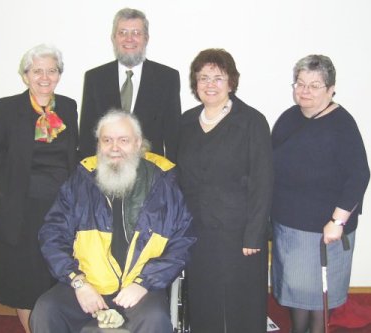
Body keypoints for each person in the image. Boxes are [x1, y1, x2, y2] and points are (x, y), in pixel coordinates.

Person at [29, 110, 195, 333]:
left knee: (155, 320)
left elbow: (182, 241)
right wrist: (78, 282)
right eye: (107, 140)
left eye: (123, 140)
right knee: (46, 310)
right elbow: (52, 233)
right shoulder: (81, 179)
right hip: (88, 282)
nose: (114, 147)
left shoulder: (164, 182)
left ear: (138, 143)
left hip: (141, 285)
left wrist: (144, 283)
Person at [0, 44, 78, 332]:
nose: (45, 77)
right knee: (25, 282)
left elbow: (72, 155)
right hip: (20, 211)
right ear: (25, 75)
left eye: (52, 71)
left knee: (53, 278)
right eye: (37, 71)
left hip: (59, 211)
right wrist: (15, 179)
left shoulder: (68, 107)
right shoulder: (6, 108)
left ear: (59, 75)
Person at [176, 48, 273, 333]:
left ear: (231, 82)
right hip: (197, 233)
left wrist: (255, 234)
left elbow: (263, 182)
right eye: (203, 77)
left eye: (218, 78)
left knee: (240, 307)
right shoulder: (186, 121)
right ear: (195, 83)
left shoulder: (252, 121)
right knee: (204, 303)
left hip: (239, 235)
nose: (209, 84)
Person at [271, 54, 370, 333]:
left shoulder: (341, 124)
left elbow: (359, 175)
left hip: (321, 231)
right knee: (295, 298)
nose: (304, 91)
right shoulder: (290, 117)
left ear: (331, 89)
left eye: (314, 86)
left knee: (315, 304)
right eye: (300, 83)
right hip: (287, 228)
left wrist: (337, 222)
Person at [79, 7, 181, 162]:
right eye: (123, 33)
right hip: (106, 175)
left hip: (151, 176)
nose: (129, 39)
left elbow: (174, 138)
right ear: (113, 38)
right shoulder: (95, 78)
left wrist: (172, 180)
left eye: (136, 33)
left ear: (146, 38)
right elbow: (87, 136)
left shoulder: (167, 78)